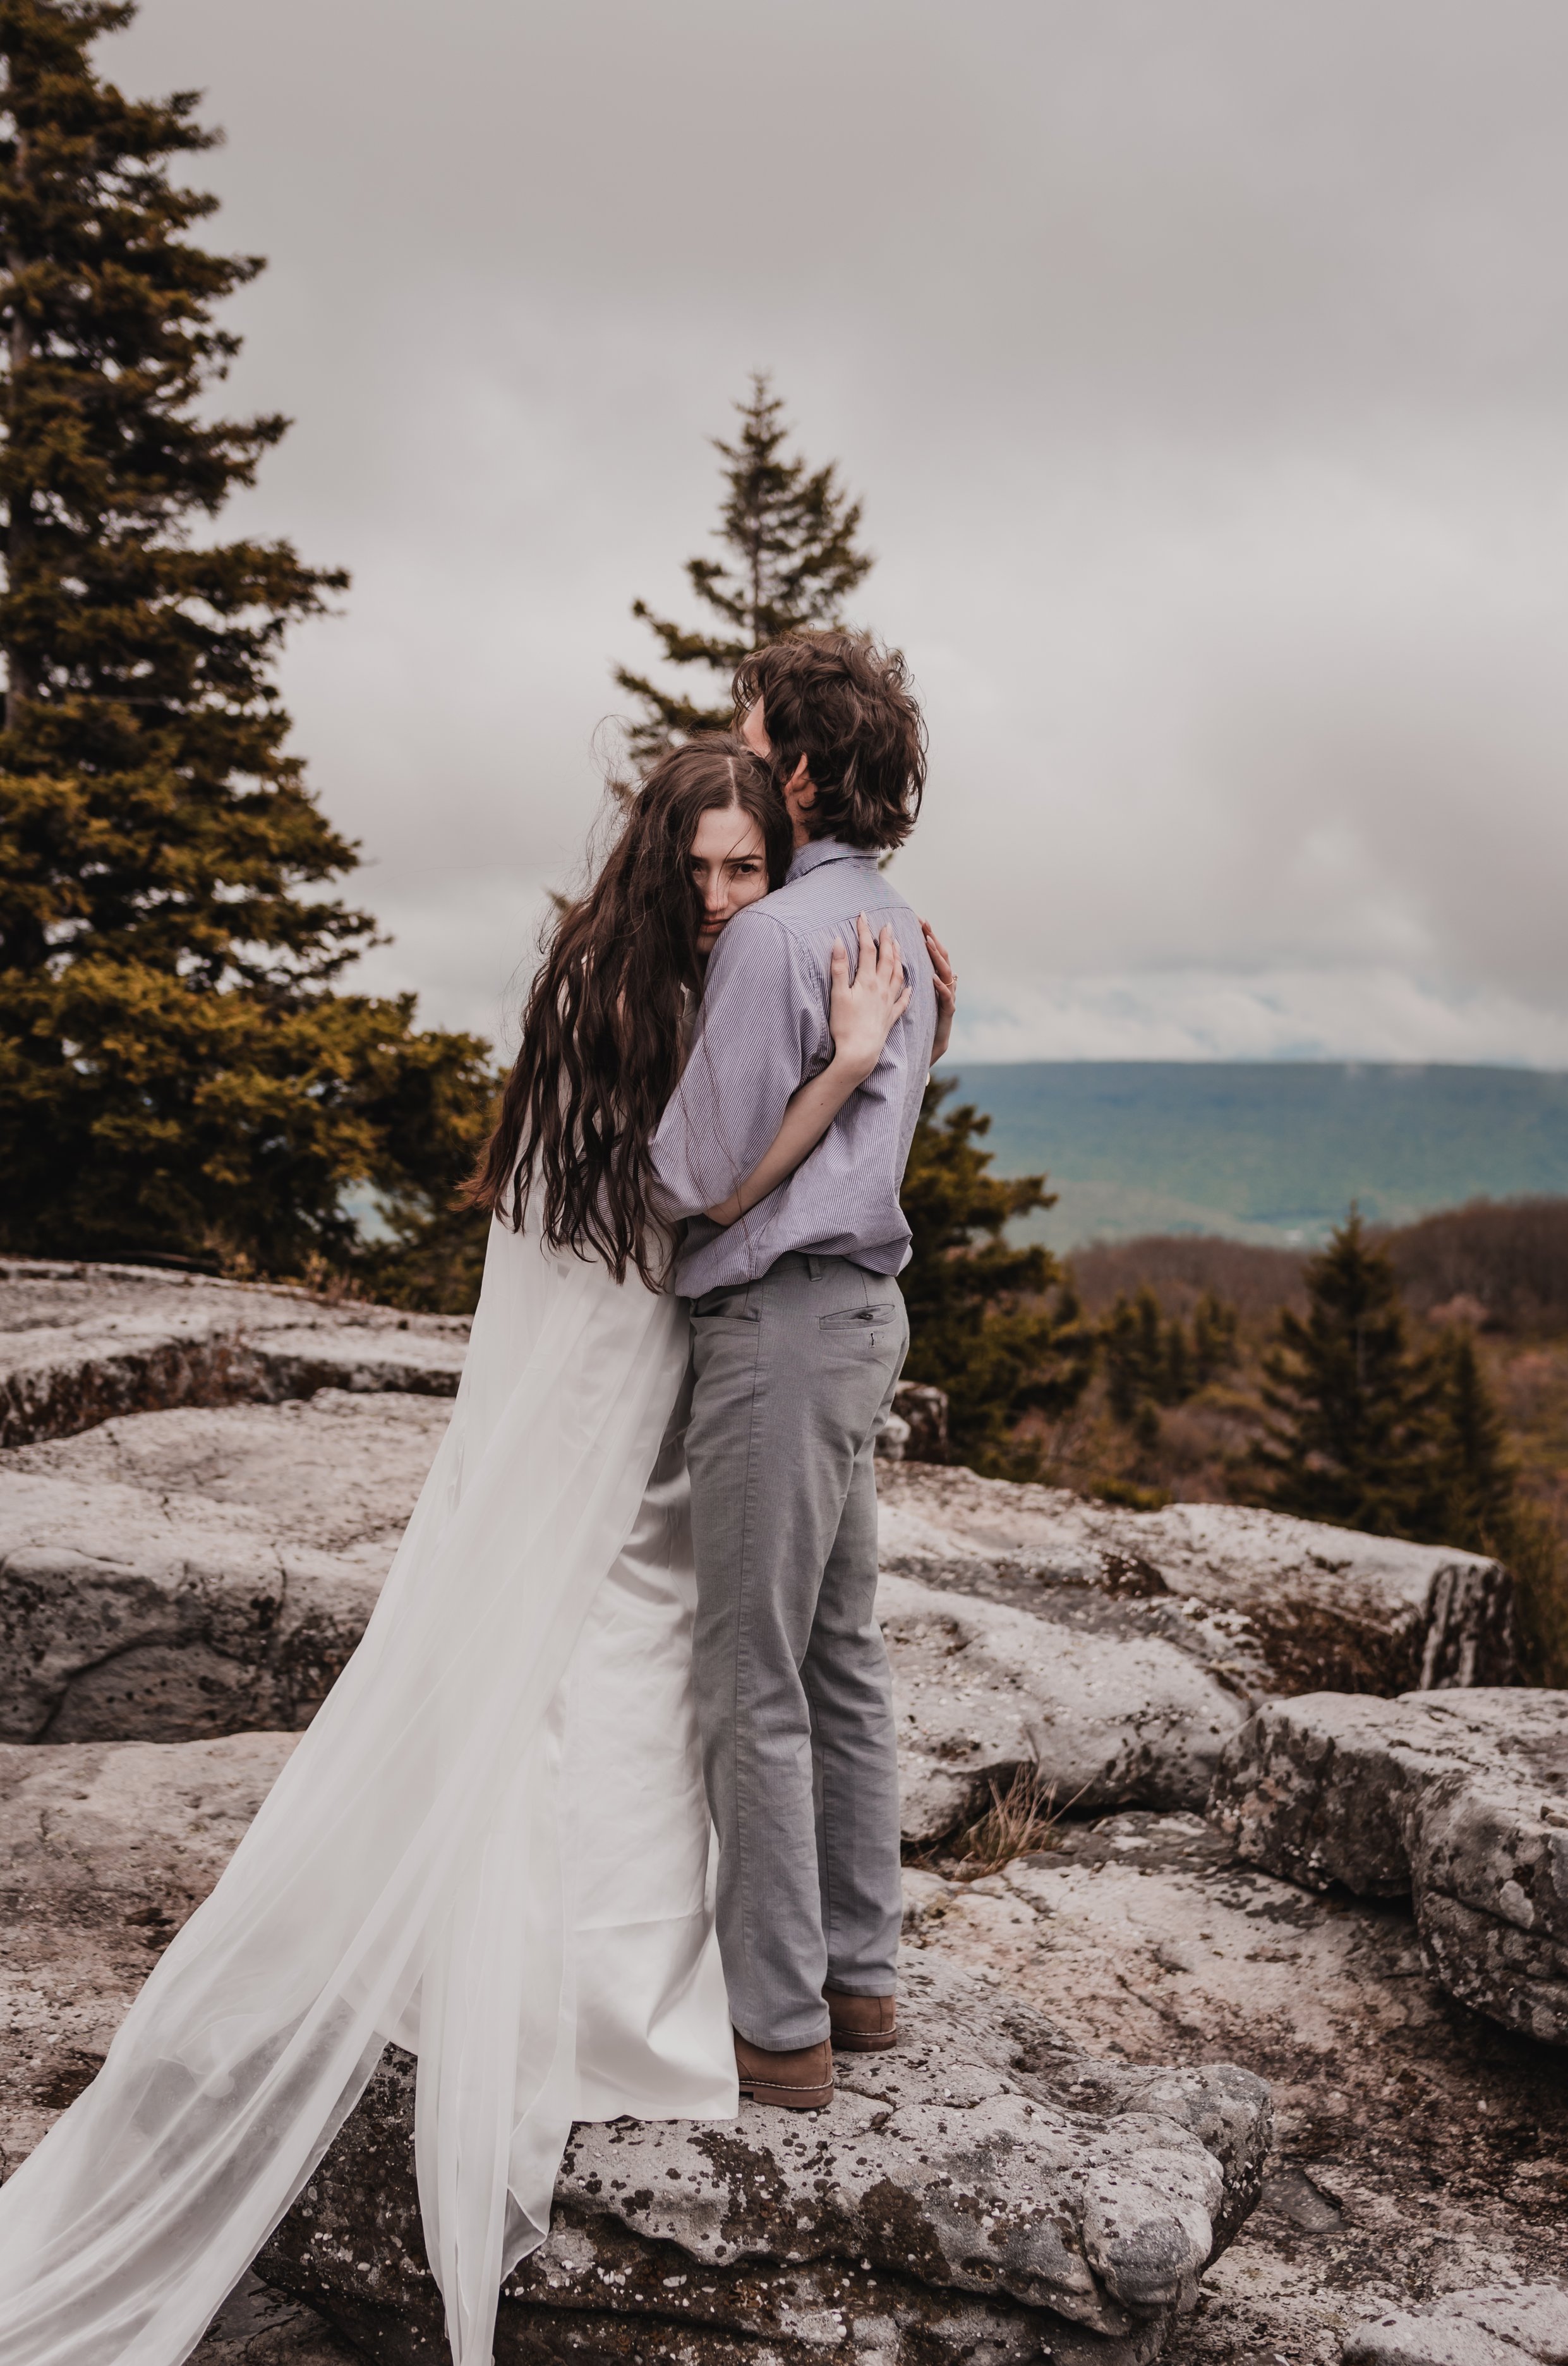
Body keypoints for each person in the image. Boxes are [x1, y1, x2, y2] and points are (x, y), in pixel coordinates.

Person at [0, 735, 931, 2366]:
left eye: (744, 871)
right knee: (611, 1656)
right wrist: (849, 1065)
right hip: (618, 1375)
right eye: (700, 867)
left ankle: (605, 1985)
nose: (723, 895)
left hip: (645, 1378)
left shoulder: (639, 980)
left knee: (640, 1659)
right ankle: (581, 2011)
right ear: (658, 861)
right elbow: (703, 1201)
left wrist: (896, 1016)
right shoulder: (634, 1000)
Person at [651, 632, 954, 2111]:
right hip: (855, 1322)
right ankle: (858, 1973)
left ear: (798, 767)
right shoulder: (898, 923)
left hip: (775, 1330)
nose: (732, 741)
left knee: (748, 1674)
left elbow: (700, 1174)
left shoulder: (773, 938)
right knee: (838, 1653)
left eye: (747, 726)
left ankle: (777, 2031)